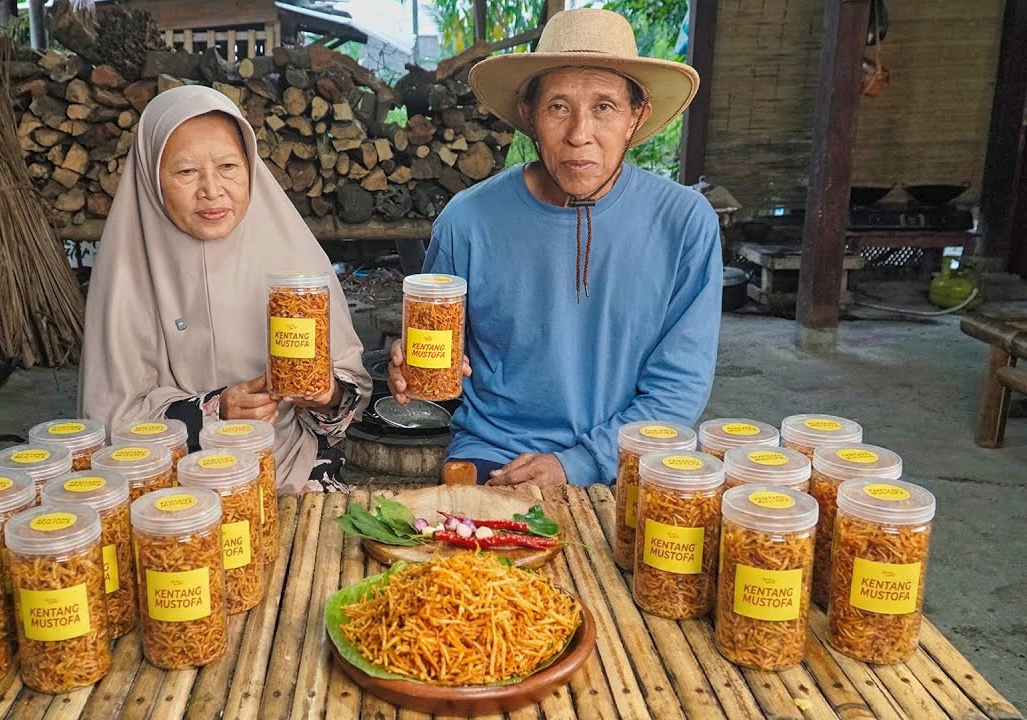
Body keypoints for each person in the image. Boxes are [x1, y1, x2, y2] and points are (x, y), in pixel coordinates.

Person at [387, 9, 722, 488]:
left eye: (604, 107)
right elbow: (442, 353)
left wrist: (578, 463)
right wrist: (414, 363)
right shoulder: (469, 221)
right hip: (495, 452)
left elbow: (679, 387)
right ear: (529, 115)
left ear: (636, 116)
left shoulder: (684, 223)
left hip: (628, 455)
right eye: (558, 107)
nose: (579, 133)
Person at [80, 86, 372, 493]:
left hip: (289, 469)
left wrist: (326, 393)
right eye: (185, 172)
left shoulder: (293, 256)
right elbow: (111, 424)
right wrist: (216, 413)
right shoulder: (127, 274)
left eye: (228, 167)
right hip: (168, 490)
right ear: (151, 178)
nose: (211, 190)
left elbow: (349, 394)